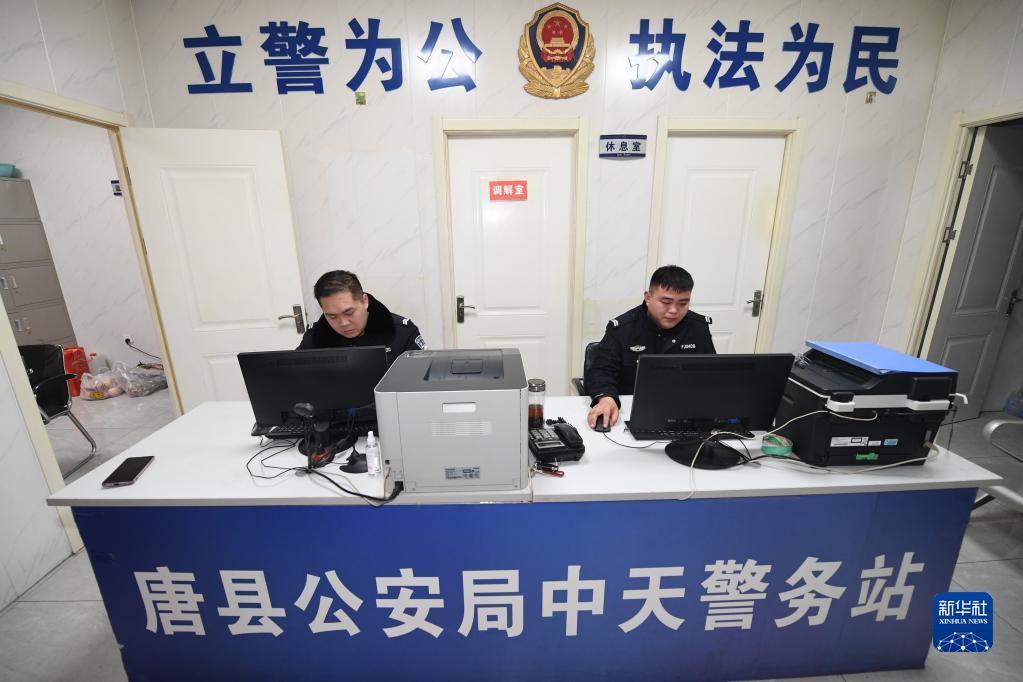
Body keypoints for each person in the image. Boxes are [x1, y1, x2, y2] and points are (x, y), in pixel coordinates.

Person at [585, 265, 715, 429]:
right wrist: (606, 398)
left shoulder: (698, 327)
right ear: (648, 297)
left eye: (683, 303)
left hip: (685, 413)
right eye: (665, 302)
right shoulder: (623, 329)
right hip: (632, 411)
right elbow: (601, 369)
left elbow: (711, 372)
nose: (674, 310)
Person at [297, 270, 425, 364]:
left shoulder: (402, 332)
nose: (344, 323)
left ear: (365, 301)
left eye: (349, 312)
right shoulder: (315, 337)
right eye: (332, 316)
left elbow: (420, 379)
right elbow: (295, 377)